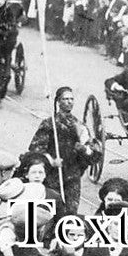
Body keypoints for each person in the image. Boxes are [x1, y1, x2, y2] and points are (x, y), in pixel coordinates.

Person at [27, 87, 93, 215]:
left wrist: (84, 149)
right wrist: (51, 161)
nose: (69, 102)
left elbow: (90, 150)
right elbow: (35, 149)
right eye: (65, 99)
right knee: (51, 211)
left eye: (71, 99)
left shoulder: (79, 126)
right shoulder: (49, 124)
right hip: (52, 176)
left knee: (71, 212)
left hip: (72, 177)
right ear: (58, 102)